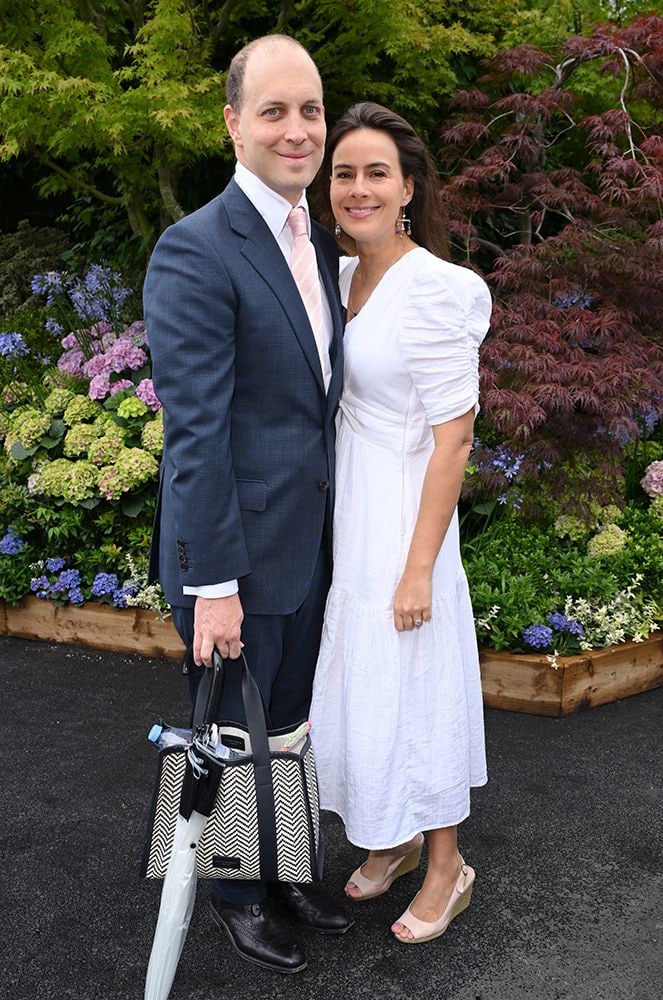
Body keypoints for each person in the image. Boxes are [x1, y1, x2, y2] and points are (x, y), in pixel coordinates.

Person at [143, 35, 351, 974]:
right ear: (232, 124)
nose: (296, 129)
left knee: (293, 718)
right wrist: (213, 583)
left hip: (307, 542)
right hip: (234, 554)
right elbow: (196, 434)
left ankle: (283, 865)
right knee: (230, 727)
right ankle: (233, 892)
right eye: (273, 111)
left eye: (309, 109)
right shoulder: (194, 249)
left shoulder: (317, 242)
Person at [310, 102, 491, 945]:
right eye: (343, 172)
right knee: (362, 684)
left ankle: (447, 863)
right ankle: (392, 836)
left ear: (409, 186)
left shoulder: (437, 289)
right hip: (353, 507)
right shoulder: (340, 277)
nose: (357, 187)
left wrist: (420, 566)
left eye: (376, 171)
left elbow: (454, 436)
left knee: (412, 686)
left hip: (406, 517)